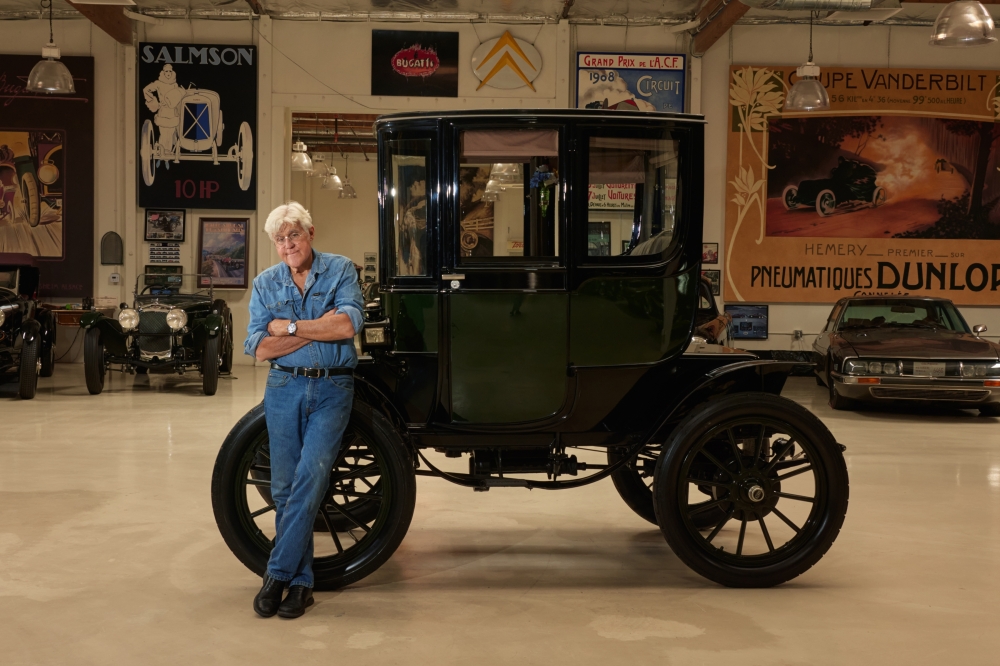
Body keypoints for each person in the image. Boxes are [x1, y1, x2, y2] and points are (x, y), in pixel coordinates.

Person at [244, 202, 364, 619]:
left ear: (310, 233)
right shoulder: (265, 283)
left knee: (311, 477)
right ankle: (301, 584)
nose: (287, 244)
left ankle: (276, 573)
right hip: (283, 386)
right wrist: (316, 328)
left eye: (294, 235)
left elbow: (347, 325)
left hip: (333, 386)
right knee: (282, 489)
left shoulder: (341, 269)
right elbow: (258, 348)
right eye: (280, 239)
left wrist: (289, 327)